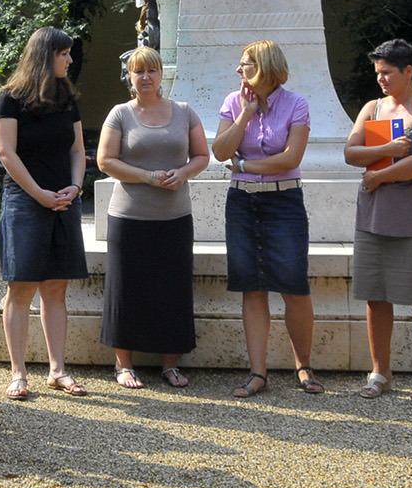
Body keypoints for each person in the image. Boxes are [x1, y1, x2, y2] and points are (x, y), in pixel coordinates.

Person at [341, 40, 412, 400]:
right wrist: (385, 151)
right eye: (378, 73)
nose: (381, 79)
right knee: (375, 296)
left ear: (408, 71)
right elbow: (350, 152)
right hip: (373, 216)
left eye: (387, 72)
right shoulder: (372, 108)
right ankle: (380, 372)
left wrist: (379, 176)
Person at [95, 46, 209, 390]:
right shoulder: (120, 114)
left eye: (151, 70)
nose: (145, 77)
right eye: (139, 71)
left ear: (162, 74)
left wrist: (183, 173)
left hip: (175, 217)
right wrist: (147, 177)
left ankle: (170, 364)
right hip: (129, 217)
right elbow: (105, 160)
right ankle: (123, 365)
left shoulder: (184, 112)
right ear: (129, 76)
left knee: (173, 289)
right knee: (125, 289)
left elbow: (202, 155)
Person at [210, 39, 314, 399]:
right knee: (252, 288)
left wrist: (244, 164)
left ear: (266, 67)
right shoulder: (233, 101)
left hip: (284, 201)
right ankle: (258, 373)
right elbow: (220, 151)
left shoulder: (297, 104)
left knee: (294, 287)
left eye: (246, 64)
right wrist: (245, 114)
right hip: (242, 202)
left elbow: (290, 158)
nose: (239, 70)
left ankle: (303, 366)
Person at [0, 26, 90, 400]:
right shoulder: (10, 98)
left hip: (64, 201)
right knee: (21, 288)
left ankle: (57, 370)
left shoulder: (67, 98)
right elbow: (6, 153)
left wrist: (75, 187)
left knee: (55, 288)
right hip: (25, 203)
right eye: (64, 53)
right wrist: (39, 194)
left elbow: (77, 150)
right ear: (45, 55)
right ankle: (18, 373)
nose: (69, 59)